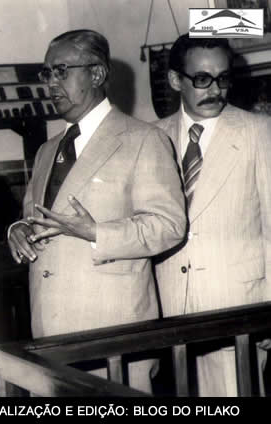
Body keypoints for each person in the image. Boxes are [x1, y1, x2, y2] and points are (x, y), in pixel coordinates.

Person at [7, 30, 186, 393]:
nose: (51, 83)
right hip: (49, 331)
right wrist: (18, 229)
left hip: (112, 332)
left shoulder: (143, 139)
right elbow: (35, 216)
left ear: (97, 74)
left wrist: (95, 233)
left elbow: (168, 226)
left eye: (61, 71)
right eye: (47, 73)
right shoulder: (47, 150)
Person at [154, 34, 271, 397]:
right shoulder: (152, 137)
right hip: (170, 312)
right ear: (176, 80)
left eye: (223, 78)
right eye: (202, 79)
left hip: (238, 307)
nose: (216, 90)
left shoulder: (258, 131)